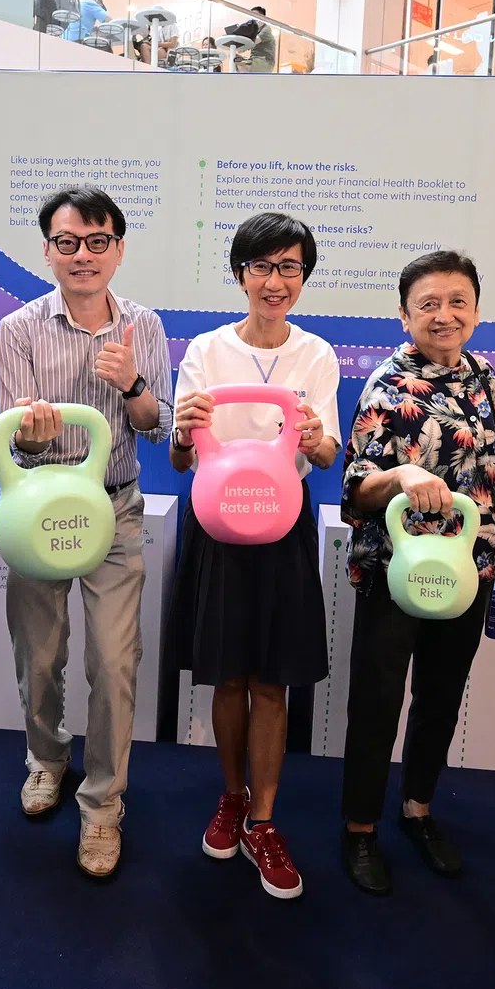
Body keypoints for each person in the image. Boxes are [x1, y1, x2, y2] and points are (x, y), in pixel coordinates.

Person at [0, 185, 173, 879]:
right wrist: (36, 439)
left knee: (112, 661)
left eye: (97, 242)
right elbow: (14, 445)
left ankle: (102, 806)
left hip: (116, 510)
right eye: (67, 243)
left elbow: (158, 427)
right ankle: (46, 759)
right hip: (39, 514)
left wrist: (131, 384)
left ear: (118, 251)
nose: (82, 256)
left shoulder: (143, 325)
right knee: (39, 654)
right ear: (47, 251)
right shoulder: (19, 328)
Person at [168, 212, 340, 900]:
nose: (276, 282)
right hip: (218, 524)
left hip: (282, 524)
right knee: (227, 676)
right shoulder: (207, 352)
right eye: (263, 267)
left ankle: (264, 821)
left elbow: (325, 455)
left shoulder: (317, 355)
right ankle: (231, 796)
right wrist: (183, 433)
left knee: (273, 680)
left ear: (303, 277)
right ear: (240, 274)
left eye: (290, 267)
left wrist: (318, 434)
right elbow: (182, 458)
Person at [340, 251, 495, 895]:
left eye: (457, 301)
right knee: (379, 701)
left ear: (475, 308)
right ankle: (359, 828)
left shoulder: (485, 378)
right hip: (398, 572)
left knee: (441, 693)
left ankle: (417, 810)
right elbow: (356, 489)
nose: (444, 316)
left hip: (467, 569)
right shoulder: (387, 385)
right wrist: (404, 476)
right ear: (405, 314)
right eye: (428, 305)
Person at [245, 6, 277, 73]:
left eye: (254, 15)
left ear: (262, 16)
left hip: (264, 61)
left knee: (240, 62)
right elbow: (243, 49)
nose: (252, 18)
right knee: (236, 60)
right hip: (254, 60)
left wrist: (243, 42)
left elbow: (255, 41)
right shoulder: (255, 31)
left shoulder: (266, 29)